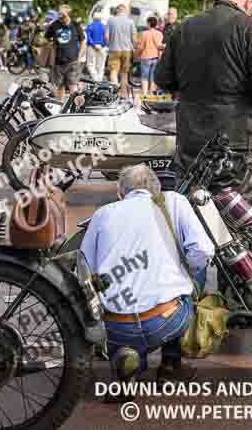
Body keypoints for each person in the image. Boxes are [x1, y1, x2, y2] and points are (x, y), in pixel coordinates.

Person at [81, 165, 213, 398]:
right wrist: (181, 269)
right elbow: (203, 252)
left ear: (121, 194)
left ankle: (128, 359)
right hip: (165, 320)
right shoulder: (174, 201)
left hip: (114, 326)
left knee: (118, 311)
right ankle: (171, 367)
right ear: (157, 188)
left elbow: (83, 271)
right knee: (197, 273)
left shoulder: (103, 213)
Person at [156, 0, 252, 191]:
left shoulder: (185, 27)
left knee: (190, 202)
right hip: (235, 135)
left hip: (190, 135)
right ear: (249, 4)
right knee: (233, 207)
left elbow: (163, 79)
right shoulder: (250, 27)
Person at [45, 5, 86, 101]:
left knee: (73, 85)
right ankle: (60, 106)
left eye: (63, 16)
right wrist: (51, 44)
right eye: (60, 16)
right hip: (58, 61)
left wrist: (79, 56)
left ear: (69, 15)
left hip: (72, 61)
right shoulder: (55, 24)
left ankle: (73, 108)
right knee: (60, 86)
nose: (61, 19)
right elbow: (46, 37)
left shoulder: (75, 25)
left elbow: (83, 40)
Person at [106, 4, 137, 96]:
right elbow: (134, 38)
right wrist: (135, 48)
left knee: (113, 71)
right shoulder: (130, 21)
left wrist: (110, 45)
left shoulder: (111, 20)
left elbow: (106, 36)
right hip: (127, 50)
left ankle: (115, 93)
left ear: (117, 11)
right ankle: (123, 94)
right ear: (125, 11)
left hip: (114, 49)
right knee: (124, 73)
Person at [136, 16, 164, 98]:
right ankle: (151, 93)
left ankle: (144, 94)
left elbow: (140, 47)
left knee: (144, 76)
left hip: (146, 57)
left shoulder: (144, 34)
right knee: (152, 76)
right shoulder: (159, 34)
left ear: (148, 23)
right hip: (155, 57)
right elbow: (160, 46)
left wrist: (137, 55)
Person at [85, 12, 108, 82]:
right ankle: (99, 80)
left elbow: (88, 37)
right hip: (102, 47)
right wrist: (102, 45)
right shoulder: (104, 27)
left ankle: (95, 79)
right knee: (101, 65)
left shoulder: (90, 26)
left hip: (92, 47)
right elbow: (106, 38)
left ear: (93, 18)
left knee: (90, 64)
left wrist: (94, 45)